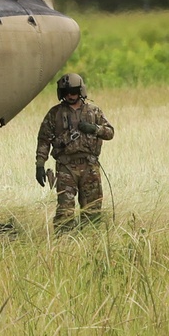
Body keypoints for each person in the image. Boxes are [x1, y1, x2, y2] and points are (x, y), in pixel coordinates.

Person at [35, 73, 114, 230]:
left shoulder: (94, 111)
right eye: (66, 92)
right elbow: (44, 139)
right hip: (66, 167)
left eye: (73, 92)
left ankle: (90, 238)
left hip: (90, 166)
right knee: (65, 212)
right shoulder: (55, 114)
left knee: (92, 209)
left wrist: (94, 129)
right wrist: (40, 164)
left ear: (80, 91)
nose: (70, 96)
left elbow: (110, 133)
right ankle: (64, 240)